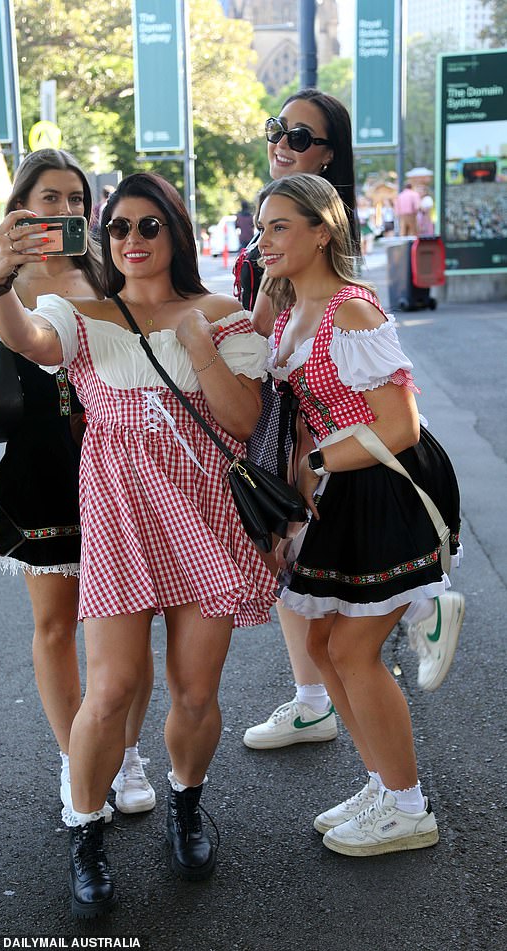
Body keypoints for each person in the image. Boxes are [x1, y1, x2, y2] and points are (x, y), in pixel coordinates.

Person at [0, 171, 276, 917]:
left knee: (197, 689)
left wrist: (199, 343)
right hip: (119, 522)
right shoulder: (79, 311)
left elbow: (243, 422)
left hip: (204, 516)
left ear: (175, 230)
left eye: (149, 226)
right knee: (108, 689)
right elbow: (28, 339)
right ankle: (86, 832)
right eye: (118, 228)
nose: (132, 240)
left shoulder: (222, 314)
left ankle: (184, 803)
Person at [240, 92, 464, 751]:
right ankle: (383, 788)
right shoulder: (290, 308)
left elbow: (400, 427)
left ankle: (402, 800)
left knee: (351, 647)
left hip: (380, 474)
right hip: (337, 475)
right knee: (325, 639)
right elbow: (289, 395)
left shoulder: (348, 307)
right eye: (261, 228)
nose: (263, 242)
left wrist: (313, 466)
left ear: (320, 231)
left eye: (279, 228)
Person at [0, 149, 156, 824]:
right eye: (52, 198)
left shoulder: (107, 270)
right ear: (22, 204)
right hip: (40, 476)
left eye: (78, 199)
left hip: (118, 472)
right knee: (53, 625)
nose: (68, 211)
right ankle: (77, 758)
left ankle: (126, 754)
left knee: (127, 629)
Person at [235, 89, 358, 751]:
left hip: (311, 431)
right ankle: (313, 699)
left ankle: (388, 780)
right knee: (292, 567)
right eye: (277, 127)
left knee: (316, 576)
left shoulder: (316, 243)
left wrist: (306, 452)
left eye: (301, 136)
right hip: (284, 423)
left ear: (329, 153)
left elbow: (288, 343)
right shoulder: (278, 221)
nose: (281, 141)